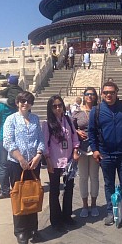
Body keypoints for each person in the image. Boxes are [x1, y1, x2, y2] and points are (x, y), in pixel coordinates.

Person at [89, 81, 122, 227]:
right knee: (108, 183)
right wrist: (95, 150)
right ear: (102, 94)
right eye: (106, 92)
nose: (109, 95)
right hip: (105, 154)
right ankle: (111, 210)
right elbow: (91, 132)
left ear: (117, 93)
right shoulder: (96, 111)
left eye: (112, 92)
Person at [3, 91, 45, 244]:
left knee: (33, 193)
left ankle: (33, 227)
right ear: (17, 103)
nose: (24, 104)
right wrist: (20, 159)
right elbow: (8, 141)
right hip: (16, 164)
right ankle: (21, 230)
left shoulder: (34, 119)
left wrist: (39, 155)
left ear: (31, 104)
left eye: (27, 101)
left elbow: (41, 139)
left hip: (34, 163)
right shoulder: (11, 119)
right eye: (22, 101)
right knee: (19, 195)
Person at [42, 95, 80, 231]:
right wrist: (48, 161)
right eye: (55, 106)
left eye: (60, 105)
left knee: (69, 189)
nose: (58, 108)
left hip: (68, 160)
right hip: (54, 161)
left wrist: (75, 151)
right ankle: (55, 219)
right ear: (50, 108)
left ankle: (67, 216)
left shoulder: (68, 120)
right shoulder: (47, 124)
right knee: (54, 191)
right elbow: (44, 144)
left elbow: (75, 138)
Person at [72, 87, 100, 218]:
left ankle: (93, 204)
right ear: (84, 96)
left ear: (95, 96)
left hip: (95, 148)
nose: (90, 96)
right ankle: (84, 205)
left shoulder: (99, 110)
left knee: (94, 177)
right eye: (87, 94)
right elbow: (71, 128)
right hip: (82, 148)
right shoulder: (77, 112)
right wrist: (77, 131)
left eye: (92, 94)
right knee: (83, 177)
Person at [0, 99, 17, 200]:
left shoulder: (2, 105)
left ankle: (5, 190)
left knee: (1, 166)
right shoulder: (21, 102)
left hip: (4, 138)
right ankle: (16, 188)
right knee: (15, 165)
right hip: (18, 139)